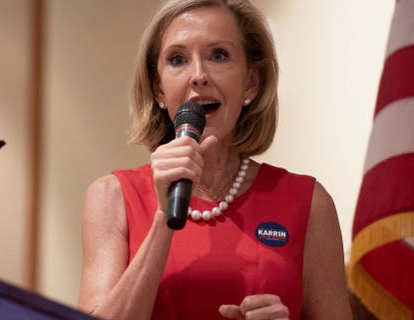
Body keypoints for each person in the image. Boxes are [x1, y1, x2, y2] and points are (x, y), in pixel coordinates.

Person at [78, 0, 352, 319]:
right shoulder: (112, 197)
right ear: (159, 89)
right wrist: (165, 218)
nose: (198, 75)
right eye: (178, 59)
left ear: (251, 82)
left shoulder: (309, 204)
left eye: (218, 55)